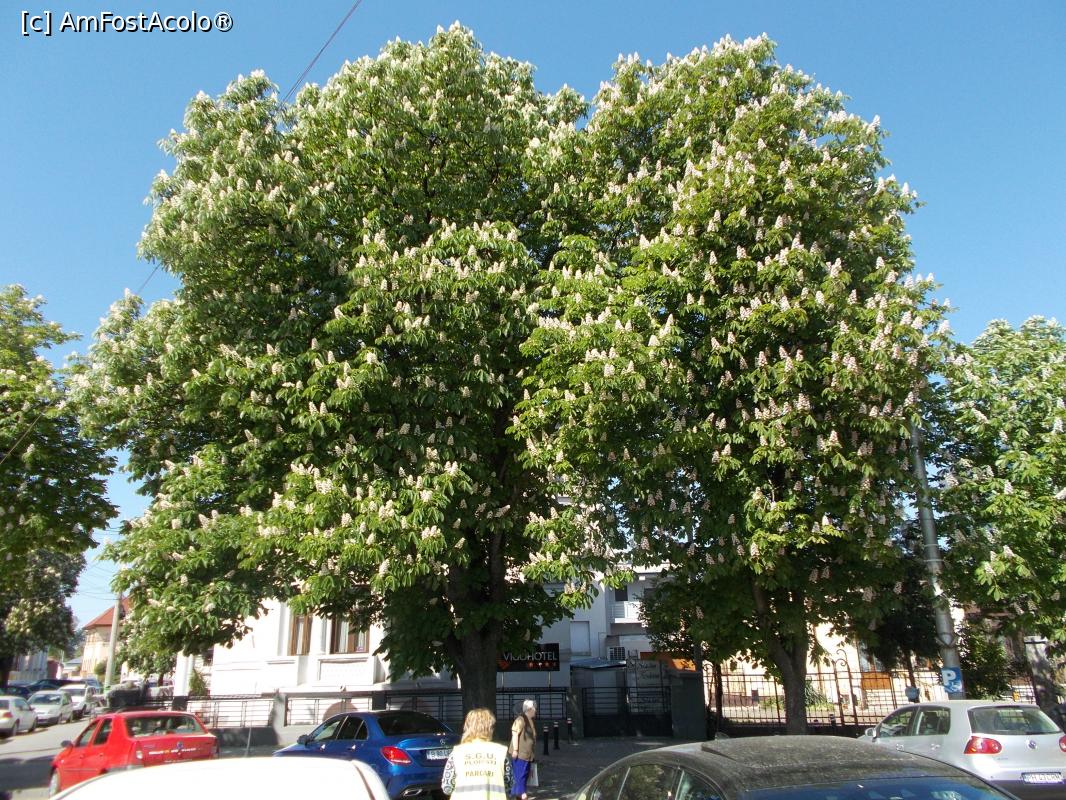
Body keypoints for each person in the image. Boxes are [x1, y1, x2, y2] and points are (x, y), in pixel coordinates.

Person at [442, 708, 514, 799]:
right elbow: (509, 784)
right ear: (490, 728)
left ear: (467, 727)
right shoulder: (500, 752)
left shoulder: (457, 753)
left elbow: (447, 787)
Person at [509, 699, 537, 800]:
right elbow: (515, 733)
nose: (535, 710)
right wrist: (515, 750)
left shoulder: (529, 719)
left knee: (523, 777)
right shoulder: (521, 719)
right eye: (534, 708)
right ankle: (522, 795)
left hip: (526, 755)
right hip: (521, 755)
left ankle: (520, 795)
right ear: (529, 709)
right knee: (520, 777)